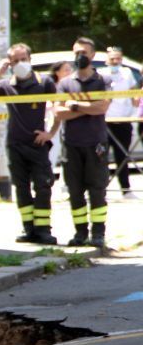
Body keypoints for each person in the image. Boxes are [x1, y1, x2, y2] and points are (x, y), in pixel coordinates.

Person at [0, 43, 60, 244]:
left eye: (23, 59)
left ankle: (43, 229)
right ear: (10, 63)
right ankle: (29, 229)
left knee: (43, 186)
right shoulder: (7, 84)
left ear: (30, 59)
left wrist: (50, 133)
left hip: (37, 144)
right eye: (15, 60)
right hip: (15, 144)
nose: (20, 63)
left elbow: (57, 109)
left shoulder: (44, 82)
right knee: (21, 187)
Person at [54, 37, 113, 247]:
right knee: (75, 191)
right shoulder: (65, 83)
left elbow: (102, 108)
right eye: (77, 53)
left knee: (97, 190)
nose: (80, 57)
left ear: (93, 55)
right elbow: (58, 112)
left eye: (84, 53)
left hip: (95, 143)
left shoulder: (103, 81)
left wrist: (75, 106)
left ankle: (98, 233)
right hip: (72, 144)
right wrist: (87, 106)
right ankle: (80, 233)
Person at [99, 46, 140, 197]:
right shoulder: (101, 74)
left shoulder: (127, 72)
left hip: (123, 120)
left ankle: (126, 189)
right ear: (106, 60)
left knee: (122, 156)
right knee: (101, 158)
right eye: (112, 59)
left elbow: (133, 93)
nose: (115, 61)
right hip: (104, 122)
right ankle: (102, 189)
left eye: (118, 59)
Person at [47, 61, 73, 183]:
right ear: (57, 72)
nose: (69, 72)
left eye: (70, 69)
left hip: (69, 121)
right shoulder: (51, 86)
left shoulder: (72, 85)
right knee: (53, 149)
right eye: (66, 70)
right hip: (53, 121)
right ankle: (46, 178)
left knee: (68, 153)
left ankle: (66, 184)